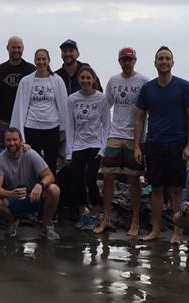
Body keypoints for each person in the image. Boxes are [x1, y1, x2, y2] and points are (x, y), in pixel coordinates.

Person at [133, 46, 189, 241]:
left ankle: (177, 231)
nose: (164, 62)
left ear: (172, 62)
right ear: (155, 63)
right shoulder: (148, 88)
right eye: (160, 58)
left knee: (177, 189)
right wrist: (137, 146)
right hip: (154, 144)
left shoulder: (183, 86)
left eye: (167, 58)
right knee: (157, 188)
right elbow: (139, 118)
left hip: (177, 144)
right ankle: (156, 229)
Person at [95, 47, 148, 236]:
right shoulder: (113, 80)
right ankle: (106, 219)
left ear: (135, 61)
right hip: (115, 134)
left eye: (130, 59)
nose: (127, 63)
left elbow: (147, 110)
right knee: (108, 176)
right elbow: (105, 105)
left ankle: (135, 221)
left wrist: (143, 140)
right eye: (124, 60)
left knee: (134, 178)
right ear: (119, 61)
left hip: (134, 137)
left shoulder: (143, 81)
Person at [0, 127, 61, 240]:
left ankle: (46, 226)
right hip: (13, 198)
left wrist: (40, 185)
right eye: (8, 140)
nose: (12, 143)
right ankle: (12, 221)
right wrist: (10, 193)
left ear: (21, 141)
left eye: (15, 139)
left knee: (54, 190)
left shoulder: (30, 154)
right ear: (4, 142)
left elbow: (50, 176)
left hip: (33, 196)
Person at [10, 48, 71, 172]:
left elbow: (64, 106)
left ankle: (50, 184)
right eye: (38, 59)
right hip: (31, 127)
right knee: (32, 164)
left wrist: (63, 128)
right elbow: (19, 106)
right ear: (34, 61)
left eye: (44, 59)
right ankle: (34, 185)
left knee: (51, 164)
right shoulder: (25, 81)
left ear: (49, 61)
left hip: (52, 128)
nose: (41, 62)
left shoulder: (57, 80)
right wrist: (18, 132)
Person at [65, 66, 107, 229]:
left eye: (88, 78)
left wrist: (104, 148)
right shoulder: (72, 99)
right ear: (78, 80)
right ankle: (84, 211)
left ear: (93, 79)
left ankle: (96, 212)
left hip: (95, 143)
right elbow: (69, 125)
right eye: (82, 78)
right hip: (78, 144)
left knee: (90, 178)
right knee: (77, 179)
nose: (85, 81)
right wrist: (69, 150)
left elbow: (106, 124)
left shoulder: (101, 98)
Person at [0, 36, 35, 142]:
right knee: (1, 150)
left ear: (23, 48)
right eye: (13, 47)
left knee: (24, 150)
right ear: (7, 48)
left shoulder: (31, 70)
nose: (16, 50)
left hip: (25, 121)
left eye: (19, 47)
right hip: (1, 121)